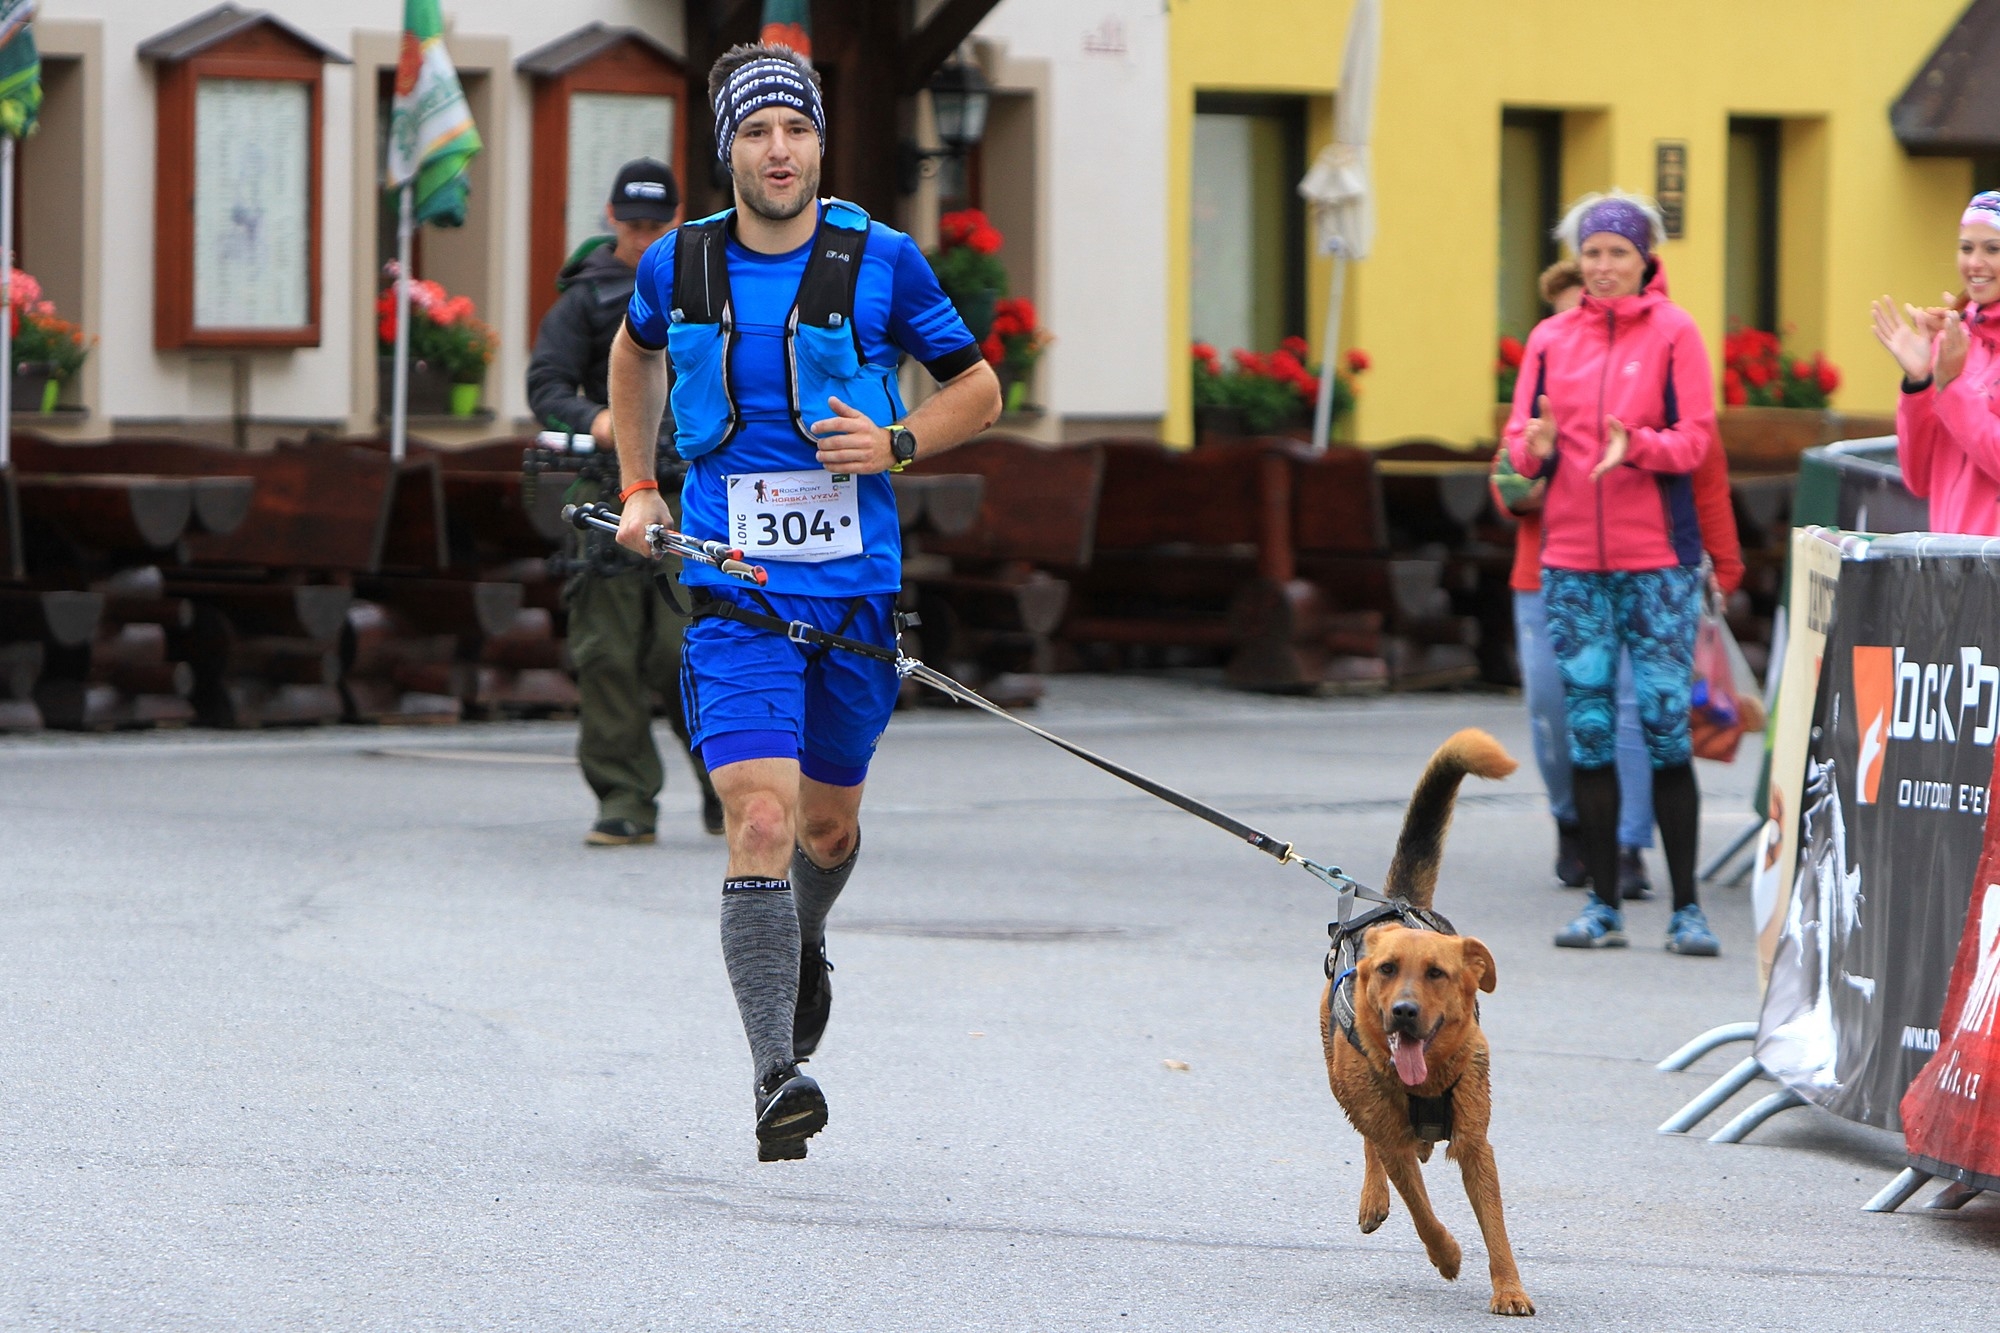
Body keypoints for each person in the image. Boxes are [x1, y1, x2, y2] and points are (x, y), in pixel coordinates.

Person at [607, 43, 1002, 1160]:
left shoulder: (880, 260)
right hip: (733, 593)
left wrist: (897, 440)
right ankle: (773, 1070)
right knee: (762, 818)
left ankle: (801, 940)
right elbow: (631, 363)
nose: (777, 151)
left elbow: (979, 384)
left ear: (817, 142)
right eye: (754, 132)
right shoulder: (674, 268)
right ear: (724, 147)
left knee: (826, 824)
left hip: (854, 602)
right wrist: (640, 484)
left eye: (794, 130)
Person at [1502, 191, 1723, 957]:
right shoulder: (1550, 338)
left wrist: (1641, 449)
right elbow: (1518, 447)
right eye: (1592, 252)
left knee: (1664, 727)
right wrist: (1532, 447)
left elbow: (1696, 438)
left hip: (1658, 562)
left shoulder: (1675, 333)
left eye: (1617, 253)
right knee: (1589, 731)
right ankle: (1601, 904)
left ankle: (1687, 908)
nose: (1602, 266)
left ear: (1644, 258)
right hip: (1570, 564)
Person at [527, 158, 722, 846]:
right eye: (633, 225)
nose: (643, 238)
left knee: (687, 648)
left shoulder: (703, 287)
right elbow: (545, 383)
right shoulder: (585, 298)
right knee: (605, 651)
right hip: (607, 492)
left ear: (676, 223)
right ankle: (624, 799)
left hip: (689, 492)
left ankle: (725, 785)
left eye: (656, 226)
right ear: (612, 220)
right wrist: (596, 420)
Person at [1872, 189, 2000, 537]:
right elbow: (1919, 480)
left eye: (1992, 249)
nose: (1975, 262)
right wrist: (1920, 382)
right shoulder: (1953, 338)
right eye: (1966, 247)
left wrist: (1951, 387)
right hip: (1950, 568)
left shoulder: (1953, 351)